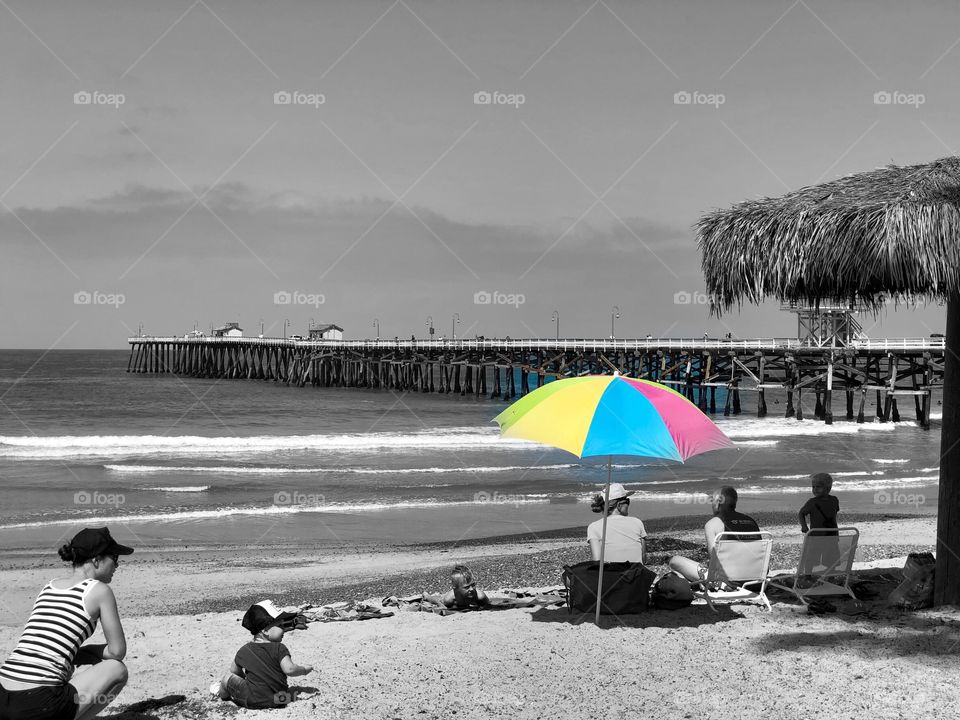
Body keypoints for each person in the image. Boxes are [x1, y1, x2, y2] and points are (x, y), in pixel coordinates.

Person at [0, 527, 133, 720]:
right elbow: (117, 651)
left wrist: (73, 656)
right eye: (115, 557)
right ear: (96, 560)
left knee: (64, 670)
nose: (117, 565)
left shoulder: (49, 586)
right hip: (38, 704)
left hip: (2, 691)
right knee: (117, 669)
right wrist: (80, 654)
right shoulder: (99, 590)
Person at [213, 606, 313, 709]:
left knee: (226, 679)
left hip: (253, 700)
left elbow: (234, 670)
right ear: (265, 631)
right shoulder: (279, 648)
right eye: (280, 625)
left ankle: (222, 695)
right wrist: (304, 670)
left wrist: (245, 680)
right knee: (292, 692)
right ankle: (289, 697)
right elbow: (290, 669)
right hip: (278, 699)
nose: (283, 628)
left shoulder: (244, 650)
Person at [668, 486, 760, 583]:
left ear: (719, 501)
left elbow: (714, 560)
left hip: (729, 580)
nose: (711, 504)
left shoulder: (712, 524)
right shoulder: (751, 521)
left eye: (712, 500)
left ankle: (720, 585)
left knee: (674, 560)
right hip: (756, 578)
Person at [586, 483, 647, 564]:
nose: (628, 504)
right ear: (619, 505)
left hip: (611, 574)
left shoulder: (594, 527)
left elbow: (597, 560)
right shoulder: (637, 522)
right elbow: (643, 558)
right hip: (636, 574)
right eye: (627, 501)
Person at [798, 473, 841, 574]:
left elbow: (801, 513)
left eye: (819, 487)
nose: (815, 489)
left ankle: (829, 573)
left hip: (828, 536)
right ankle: (808, 574)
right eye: (813, 487)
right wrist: (804, 526)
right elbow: (801, 513)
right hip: (823, 535)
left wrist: (805, 526)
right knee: (813, 557)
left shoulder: (833, 500)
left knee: (830, 556)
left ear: (828, 488)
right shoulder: (813, 502)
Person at [425, 565, 489, 609]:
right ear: (456, 589)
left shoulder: (480, 595)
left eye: (473, 585)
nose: (471, 589)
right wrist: (440, 605)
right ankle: (426, 595)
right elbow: (440, 603)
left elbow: (488, 604)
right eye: (466, 587)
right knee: (437, 599)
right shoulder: (449, 599)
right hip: (447, 598)